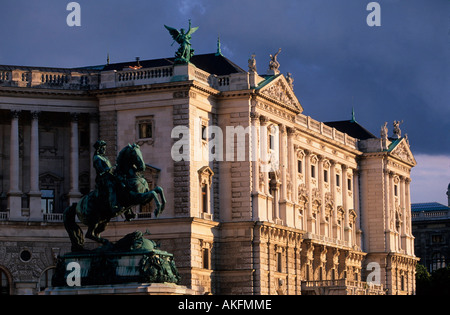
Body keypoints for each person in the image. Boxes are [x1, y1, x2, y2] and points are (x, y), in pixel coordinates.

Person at [93, 140, 123, 216]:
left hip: (109, 176)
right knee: (111, 186)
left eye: (105, 148)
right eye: (103, 148)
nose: (104, 150)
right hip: (102, 179)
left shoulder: (105, 158)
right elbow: (100, 169)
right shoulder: (96, 158)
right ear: (99, 148)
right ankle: (113, 205)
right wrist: (106, 170)